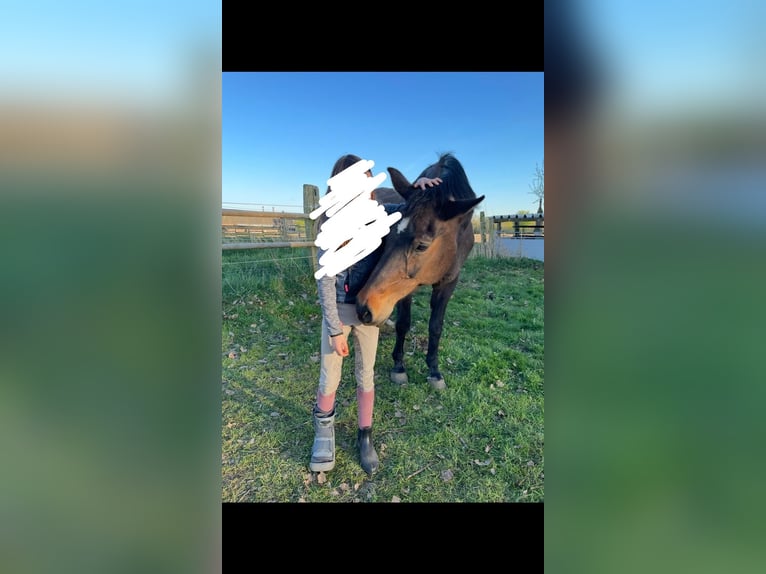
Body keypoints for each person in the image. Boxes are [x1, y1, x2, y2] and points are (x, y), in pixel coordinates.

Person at [310, 154, 441, 476]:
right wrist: (334, 328)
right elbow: (326, 280)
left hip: (367, 312)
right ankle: (323, 435)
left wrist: (418, 190)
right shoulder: (330, 224)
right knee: (330, 378)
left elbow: (408, 214)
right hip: (339, 314)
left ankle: (364, 435)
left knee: (365, 376)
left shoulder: (378, 215)